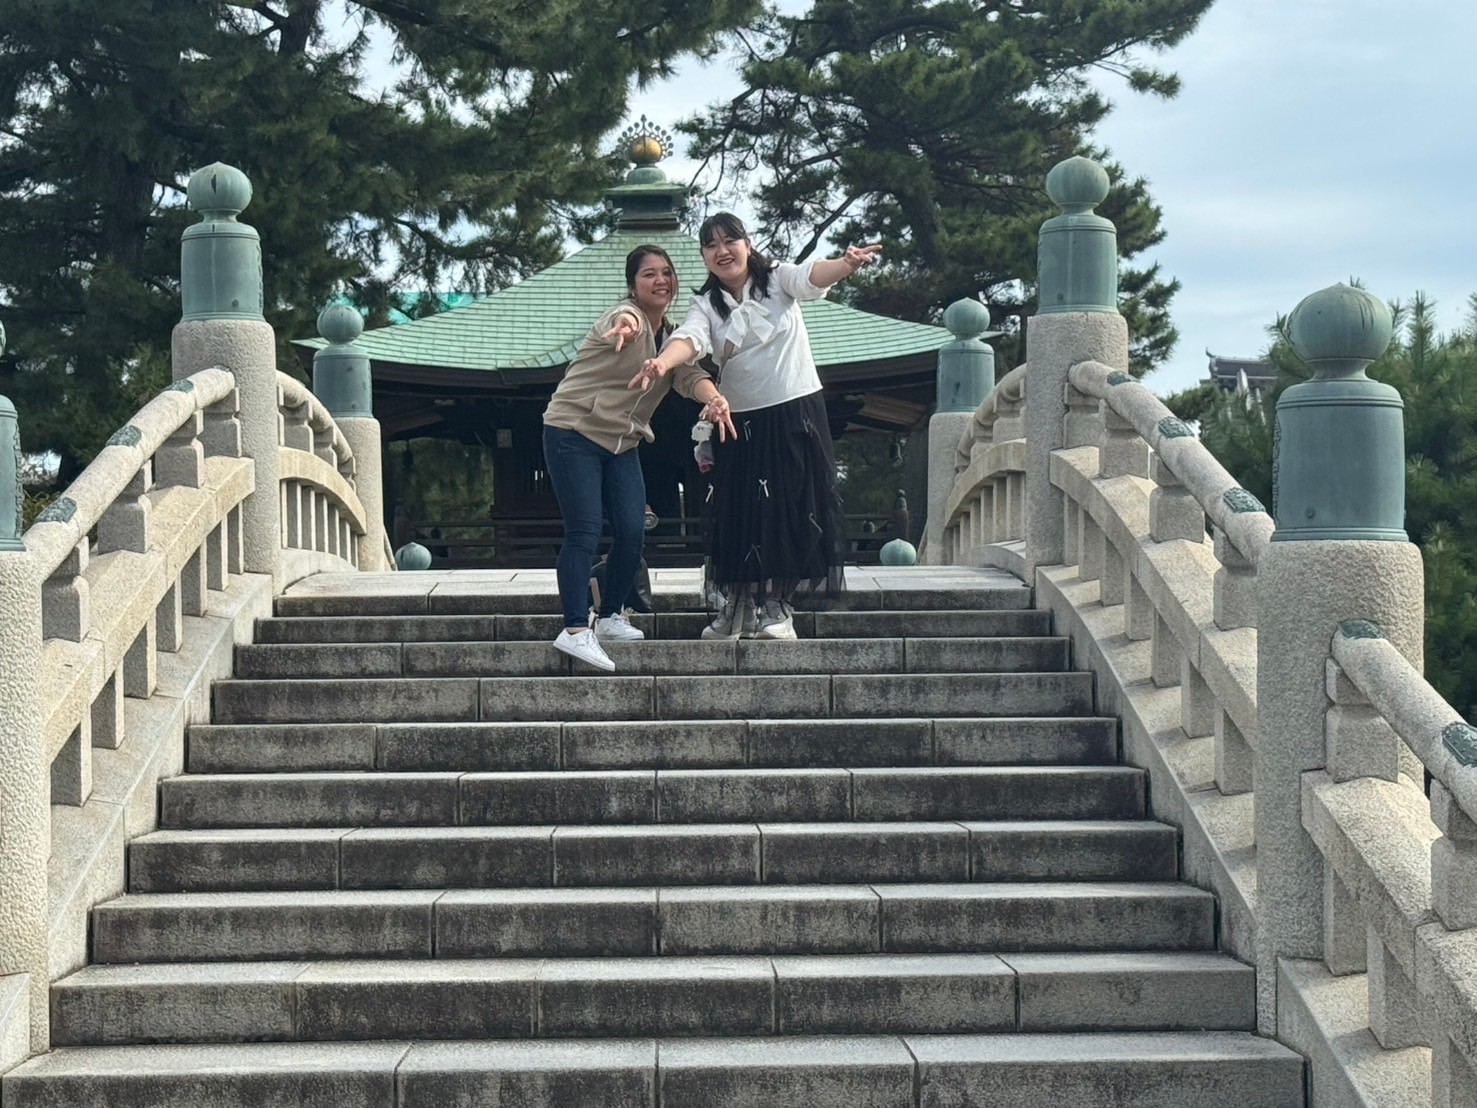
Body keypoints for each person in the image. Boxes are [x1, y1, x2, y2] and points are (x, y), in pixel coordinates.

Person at [629, 213, 880, 640]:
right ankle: (738, 605)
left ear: (748, 244)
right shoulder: (706, 304)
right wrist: (661, 362)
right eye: (711, 245)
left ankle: (778, 607)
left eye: (730, 240)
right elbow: (690, 338)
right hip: (736, 419)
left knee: (789, 507)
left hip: (794, 411)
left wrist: (846, 264)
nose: (722, 251)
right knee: (738, 512)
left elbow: (810, 277)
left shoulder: (777, 278)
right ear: (704, 256)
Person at [543, 244, 736, 671]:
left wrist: (715, 399)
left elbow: (690, 375)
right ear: (632, 285)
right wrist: (627, 326)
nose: (660, 280)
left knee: (633, 531)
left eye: (666, 272)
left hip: (622, 444)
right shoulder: (622, 316)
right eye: (649, 274)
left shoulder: (673, 338)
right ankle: (574, 629)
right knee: (584, 530)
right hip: (573, 432)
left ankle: (610, 615)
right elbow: (622, 321)